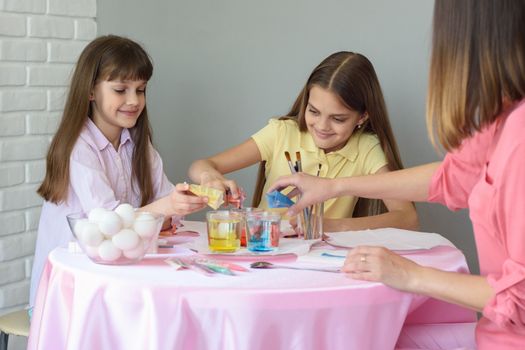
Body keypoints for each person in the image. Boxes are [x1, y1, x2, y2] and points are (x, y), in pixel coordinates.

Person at [269, 0, 525, 348]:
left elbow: (519, 300)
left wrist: (408, 274)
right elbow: (451, 178)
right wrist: (332, 187)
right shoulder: (504, 117)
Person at [30, 35, 208, 309]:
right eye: (120, 90)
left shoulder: (137, 143)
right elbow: (107, 225)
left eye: (141, 89)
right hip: (69, 296)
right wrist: (165, 207)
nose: (134, 100)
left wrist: (196, 196)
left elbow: (164, 200)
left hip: (118, 278)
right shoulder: (78, 148)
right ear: (90, 91)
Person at [188, 51, 418, 232]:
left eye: (338, 118)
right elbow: (201, 165)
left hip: (325, 262)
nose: (322, 126)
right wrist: (210, 178)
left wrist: (330, 226)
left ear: (363, 116)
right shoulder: (281, 133)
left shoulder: (367, 148)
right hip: (264, 248)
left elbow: (407, 217)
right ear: (305, 102)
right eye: (313, 111)